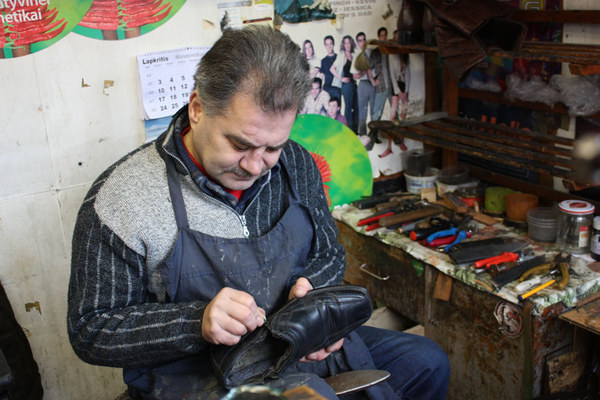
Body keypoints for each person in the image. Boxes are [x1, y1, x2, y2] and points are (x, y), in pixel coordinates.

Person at [67, 25, 449, 400]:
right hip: (197, 373)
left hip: (296, 347)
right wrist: (196, 323)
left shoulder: (296, 163)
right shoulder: (125, 197)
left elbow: (329, 254)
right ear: (197, 108)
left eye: (272, 148)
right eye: (239, 145)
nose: (254, 166)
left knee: (426, 362)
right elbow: (91, 329)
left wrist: (314, 305)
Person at [351, 31, 378, 148]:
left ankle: (374, 136)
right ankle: (363, 136)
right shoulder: (357, 56)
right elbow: (354, 76)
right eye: (360, 40)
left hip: (372, 84)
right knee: (362, 112)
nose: (362, 42)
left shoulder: (371, 52)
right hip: (362, 84)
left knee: (374, 111)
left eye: (363, 40)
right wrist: (364, 72)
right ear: (357, 42)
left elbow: (377, 68)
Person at [330, 34, 357, 132]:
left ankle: (354, 131)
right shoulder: (341, 56)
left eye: (349, 43)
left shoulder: (354, 55)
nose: (347, 45)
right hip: (347, 86)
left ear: (351, 44)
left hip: (354, 85)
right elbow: (332, 69)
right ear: (343, 45)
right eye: (345, 43)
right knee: (348, 109)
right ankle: (347, 131)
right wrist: (341, 78)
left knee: (355, 108)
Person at [320, 35, 341, 99]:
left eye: (330, 44)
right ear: (325, 46)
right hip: (327, 86)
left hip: (337, 85)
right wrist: (320, 88)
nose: (329, 46)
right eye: (327, 44)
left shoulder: (339, 57)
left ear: (333, 44)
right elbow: (321, 76)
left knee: (337, 92)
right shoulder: (323, 61)